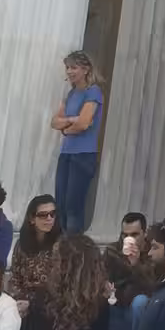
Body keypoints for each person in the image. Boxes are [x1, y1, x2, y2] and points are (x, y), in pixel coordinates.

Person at [50, 50, 104, 233]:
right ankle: (62, 248)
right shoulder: (71, 93)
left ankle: (74, 251)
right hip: (66, 154)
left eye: (74, 67)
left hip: (83, 155)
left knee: (74, 207)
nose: (70, 72)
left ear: (86, 69)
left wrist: (66, 127)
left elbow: (83, 123)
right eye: (67, 68)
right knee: (61, 205)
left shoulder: (93, 92)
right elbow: (54, 121)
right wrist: (69, 122)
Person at [7, 194, 61, 306]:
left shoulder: (62, 245)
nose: (49, 218)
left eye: (52, 214)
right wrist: (20, 300)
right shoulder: (22, 244)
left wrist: (33, 304)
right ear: (32, 219)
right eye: (43, 215)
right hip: (23, 302)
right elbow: (15, 278)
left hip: (52, 306)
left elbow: (63, 285)